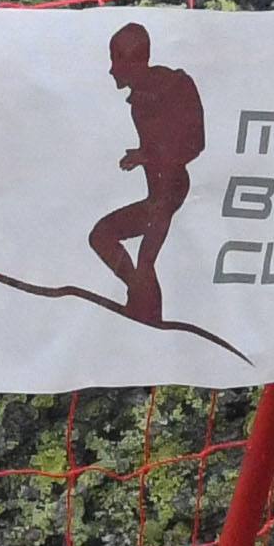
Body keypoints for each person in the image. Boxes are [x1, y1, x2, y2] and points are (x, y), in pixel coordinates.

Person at [93, 18, 207, 327]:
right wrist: (145, 156)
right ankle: (140, 298)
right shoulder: (139, 100)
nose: (112, 70)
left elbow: (194, 143)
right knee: (103, 236)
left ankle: (146, 308)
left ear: (132, 62)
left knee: (146, 260)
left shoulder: (174, 86)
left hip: (171, 190)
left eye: (116, 61)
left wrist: (147, 155)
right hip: (157, 191)